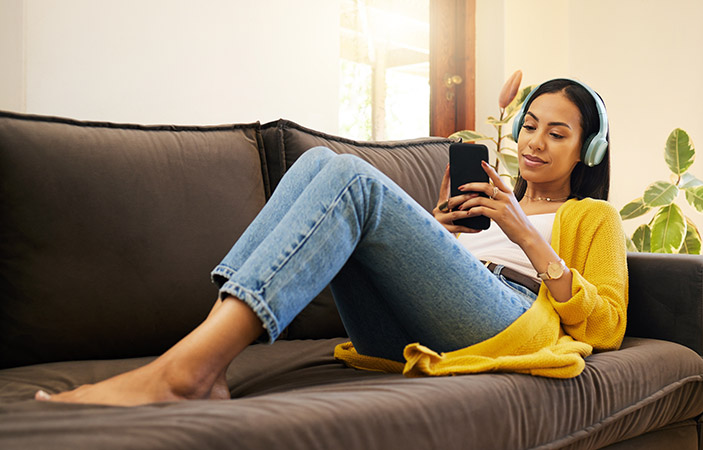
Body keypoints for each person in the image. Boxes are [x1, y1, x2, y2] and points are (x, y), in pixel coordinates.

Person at [35, 78, 628, 406]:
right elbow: (438, 276)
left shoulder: (591, 215)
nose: (535, 142)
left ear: (588, 150)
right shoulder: (488, 200)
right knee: (318, 162)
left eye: (558, 133)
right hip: (414, 328)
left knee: (350, 176)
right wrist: (432, 230)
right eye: (530, 126)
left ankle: (187, 370)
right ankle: (201, 362)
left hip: (515, 320)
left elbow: (606, 327)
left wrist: (527, 236)